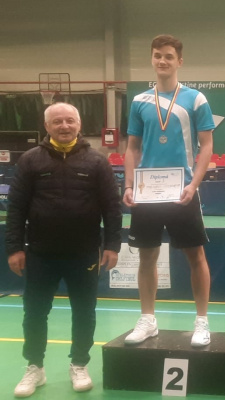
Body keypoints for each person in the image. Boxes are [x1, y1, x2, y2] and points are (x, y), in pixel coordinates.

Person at [6, 102, 122, 397]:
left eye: (70, 120)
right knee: (34, 312)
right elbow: (16, 208)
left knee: (84, 312)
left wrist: (112, 245)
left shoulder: (97, 162)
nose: (64, 126)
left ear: (79, 124)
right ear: (46, 126)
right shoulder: (30, 160)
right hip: (40, 253)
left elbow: (112, 207)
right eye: (57, 121)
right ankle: (35, 367)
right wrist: (14, 248)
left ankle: (79, 364)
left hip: (84, 253)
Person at [123, 34, 216, 347]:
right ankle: (148, 320)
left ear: (179, 61)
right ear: (152, 59)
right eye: (157, 56)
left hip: (182, 191)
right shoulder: (139, 101)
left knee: (196, 256)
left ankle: (201, 322)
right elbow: (132, 147)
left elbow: (207, 146)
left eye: (168, 56)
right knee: (146, 257)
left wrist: (194, 184)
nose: (162, 61)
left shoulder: (196, 99)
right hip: (147, 193)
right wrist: (129, 184)